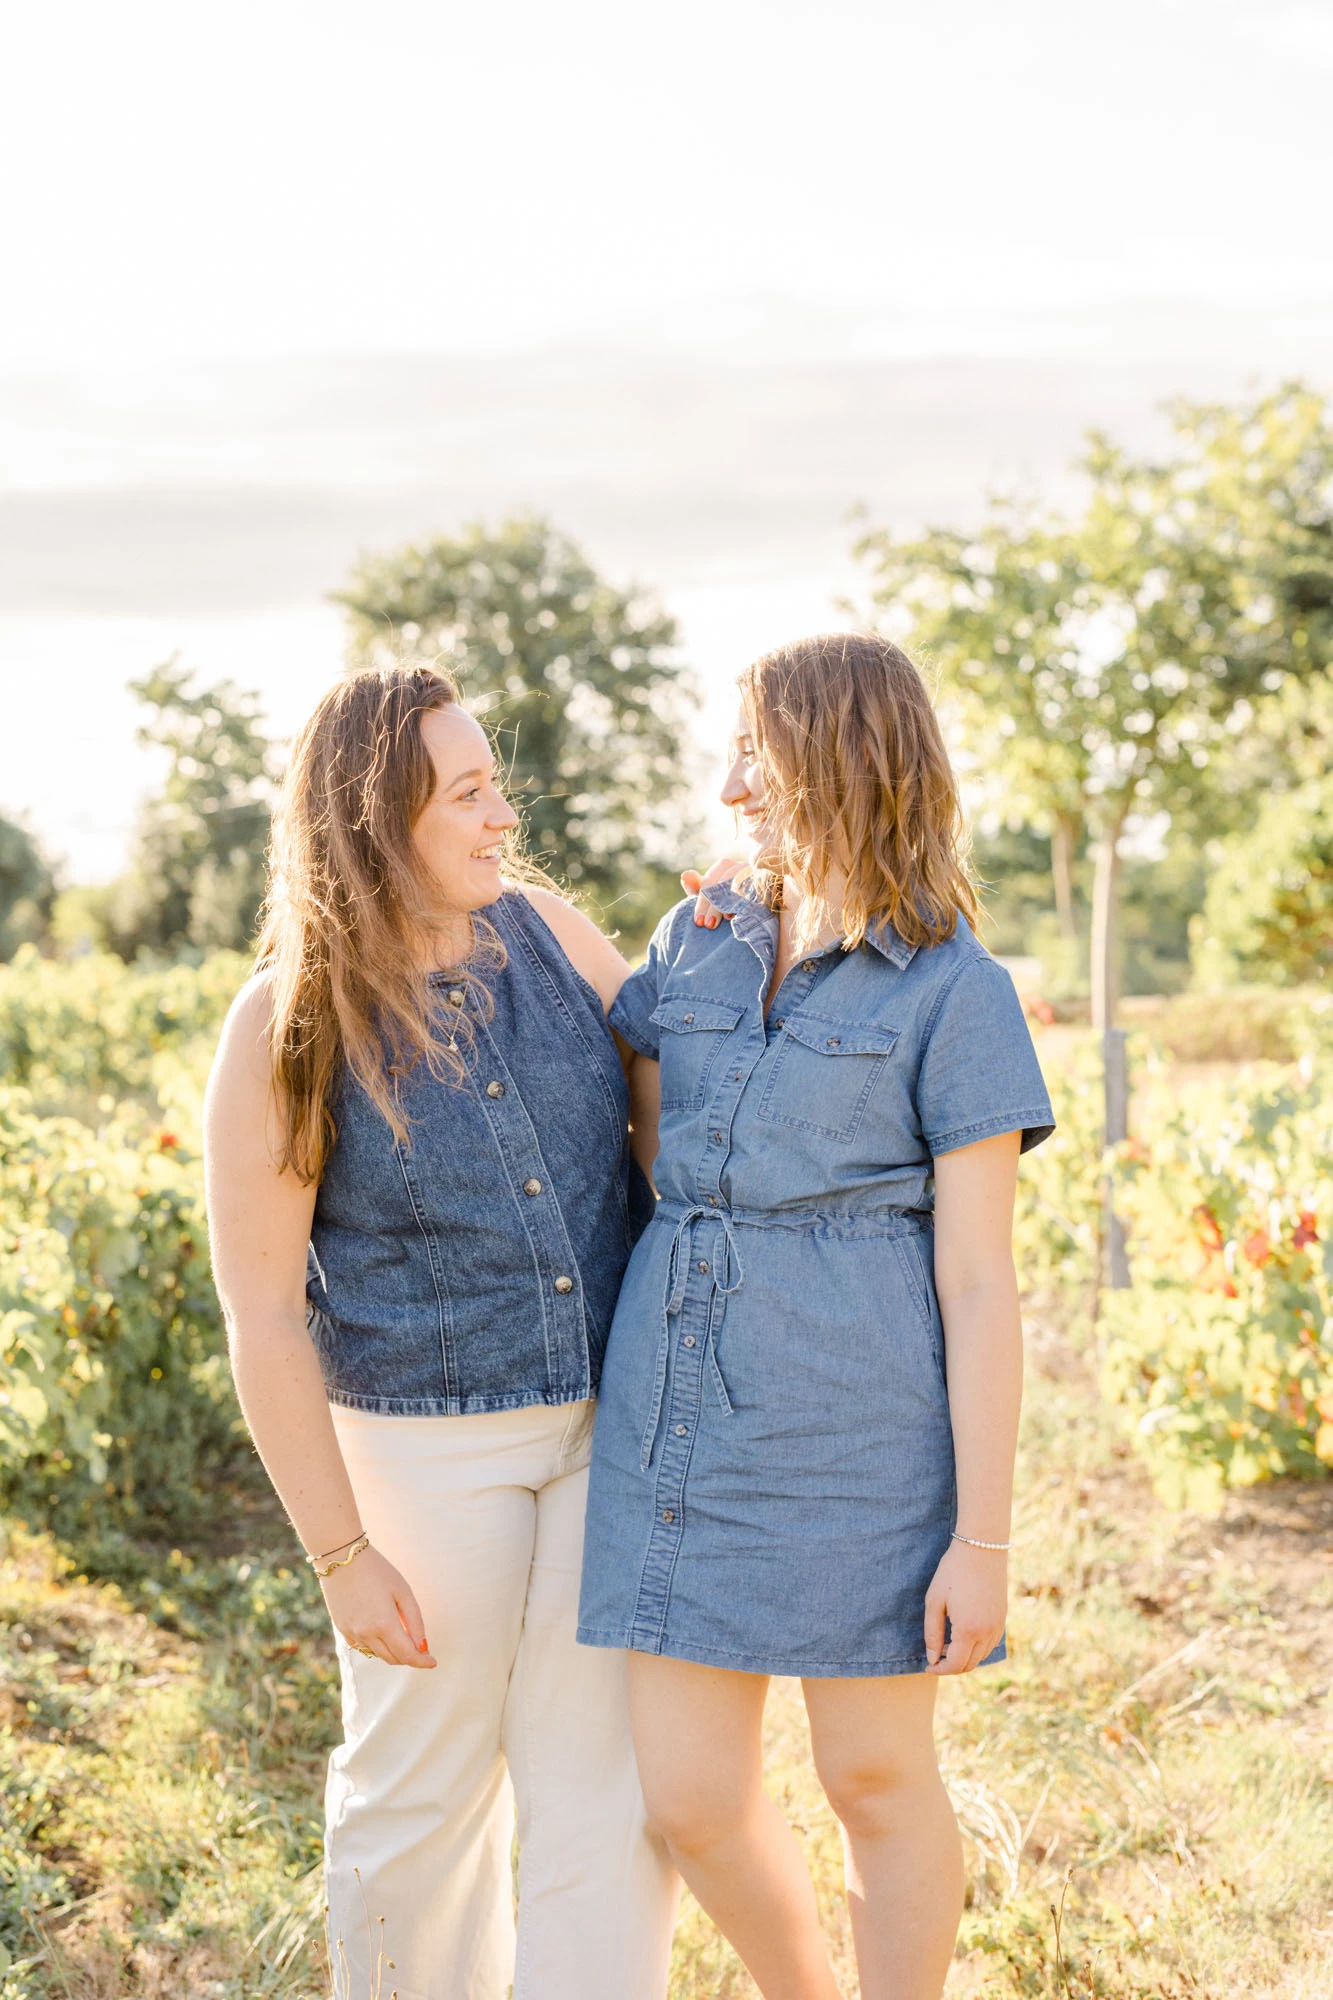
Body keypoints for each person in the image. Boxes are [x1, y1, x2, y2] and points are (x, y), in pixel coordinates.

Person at [578, 632, 1056, 2000]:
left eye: (756, 753)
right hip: (678, 1430)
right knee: (687, 1797)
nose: (732, 785)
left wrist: (984, 1539)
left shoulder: (954, 992)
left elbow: (978, 1283)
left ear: (843, 757)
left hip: (863, 1437)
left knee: (873, 1776)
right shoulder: (696, 941)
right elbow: (654, 1151)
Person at [203, 664, 679, 2000]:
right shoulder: (284, 1024)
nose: (500, 816)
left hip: (602, 1436)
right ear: (376, 817)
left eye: (492, 784)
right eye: (468, 792)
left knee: (606, 1797)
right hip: (421, 1461)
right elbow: (261, 1310)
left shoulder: (552, 934)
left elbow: (674, 1107)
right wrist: (342, 1556)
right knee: (420, 1800)